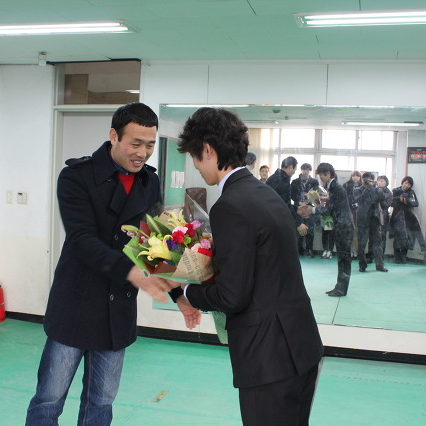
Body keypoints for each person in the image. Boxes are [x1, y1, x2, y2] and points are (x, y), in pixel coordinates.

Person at [26, 103, 188, 426]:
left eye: (150, 144)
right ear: (114, 136)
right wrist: (132, 273)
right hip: (75, 304)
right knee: (49, 399)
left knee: (101, 403)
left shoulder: (149, 182)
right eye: (135, 143)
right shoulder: (76, 177)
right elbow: (82, 240)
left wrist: (178, 295)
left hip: (117, 309)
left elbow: (154, 244)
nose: (143, 153)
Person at [177, 107, 323, 425]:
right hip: (301, 345)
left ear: (208, 150)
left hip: (268, 357)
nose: (197, 166)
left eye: (195, 157)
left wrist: (187, 289)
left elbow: (232, 296)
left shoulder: (230, 205)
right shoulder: (266, 194)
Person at [312, 163, 354, 297]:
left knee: (344, 258)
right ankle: (339, 286)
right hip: (341, 225)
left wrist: (312, 209)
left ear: (328, 174)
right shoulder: (331, 187)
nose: (320, 178)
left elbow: (328, 209)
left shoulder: (336, 188)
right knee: (341, 258)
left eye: (321, 175)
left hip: (344, 226)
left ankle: (342, 289)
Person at [353, 172, 389, 272]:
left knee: (378, 243)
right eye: (365, 179)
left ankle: (379, 265)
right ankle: (362, 265)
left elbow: (383, 198)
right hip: (363, 219)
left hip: (375, 219)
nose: (366, 181)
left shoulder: (377, 190)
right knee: (362, 244)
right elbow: (359, 200)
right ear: (362, 180)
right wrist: (367, 189)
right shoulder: (357, 190)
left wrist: (374, 188)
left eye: (369, 180)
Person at [390, 176, 423, 264]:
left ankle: (404, 255)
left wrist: (407, 200)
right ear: (402, 182)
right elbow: (391, 203)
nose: (406, 185)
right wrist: (399, 199)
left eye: (409, 184)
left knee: (408, 236)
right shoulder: (395, 190)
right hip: (397, 216)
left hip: (408, 217)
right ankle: (397, 256)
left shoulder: (411, 192)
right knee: (397, 236)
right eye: (405, 183)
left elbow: (416, 203)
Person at [291, 163, 320, 256]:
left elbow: (316, 195)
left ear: (310, 171)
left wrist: (308, 204)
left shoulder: (314, 182)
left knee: (310, 229)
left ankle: (309, 249)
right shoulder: (294, 182)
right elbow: (292, 195)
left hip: (309, 207)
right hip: (298, 207)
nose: (305, 171)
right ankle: (298, 249)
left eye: (307, 170)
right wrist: (299, 203)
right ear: (301, 170)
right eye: (304, 169)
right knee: (298, 227)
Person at [343, 171, 362, 258]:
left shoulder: (362, 185)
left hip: (359, 211)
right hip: (348, 210)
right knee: (348, 232)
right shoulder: (346, 185)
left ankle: (355, 251)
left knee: (356, 232)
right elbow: (343, 197)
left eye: (357, 176)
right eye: (354, 176)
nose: (355, 177)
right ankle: (349, 250)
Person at [376, 175, 393, 259]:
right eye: (378, 180)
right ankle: (372, 255)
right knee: (373, 236)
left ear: (386, 183)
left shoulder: (389, 193)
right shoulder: (374, 190)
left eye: (382, 181)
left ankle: (381, 256)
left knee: (382, 236)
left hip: (384, 215)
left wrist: (379, 198)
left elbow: (387, 204)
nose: (380, 182)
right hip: (373, 215)